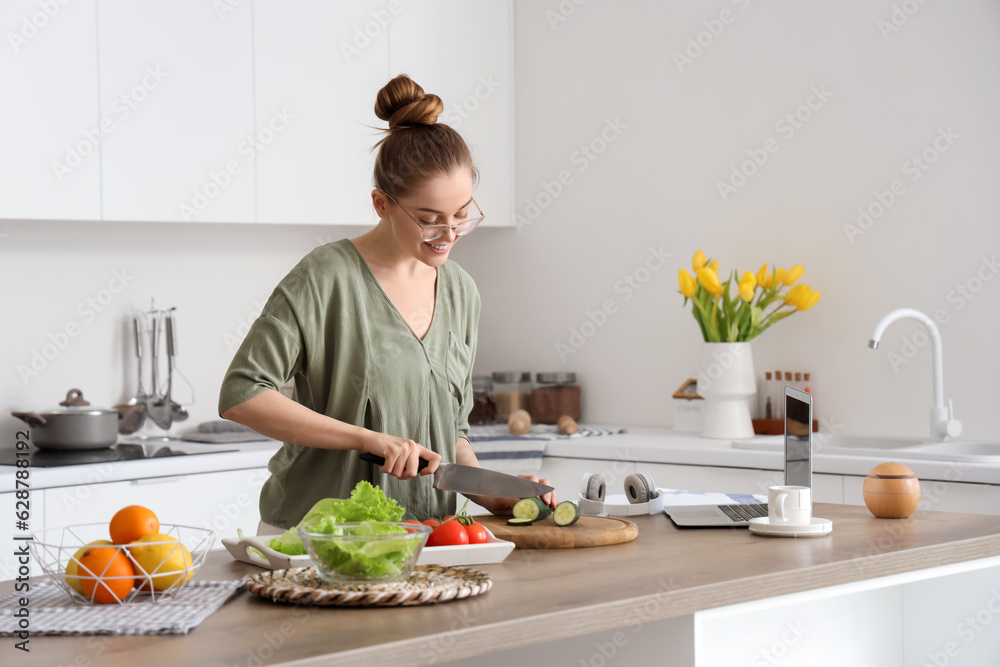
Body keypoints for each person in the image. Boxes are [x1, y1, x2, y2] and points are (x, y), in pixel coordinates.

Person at [219, 74, 555, 530]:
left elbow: (450, 434)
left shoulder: (461, 291)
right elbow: (243, 395)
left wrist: (490, 491)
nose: (450, 235)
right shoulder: (325, 277)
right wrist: (368, 439)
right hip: (316, 541)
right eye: (429, 220)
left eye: (461, 215)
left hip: (427, 539)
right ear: (381, 203)